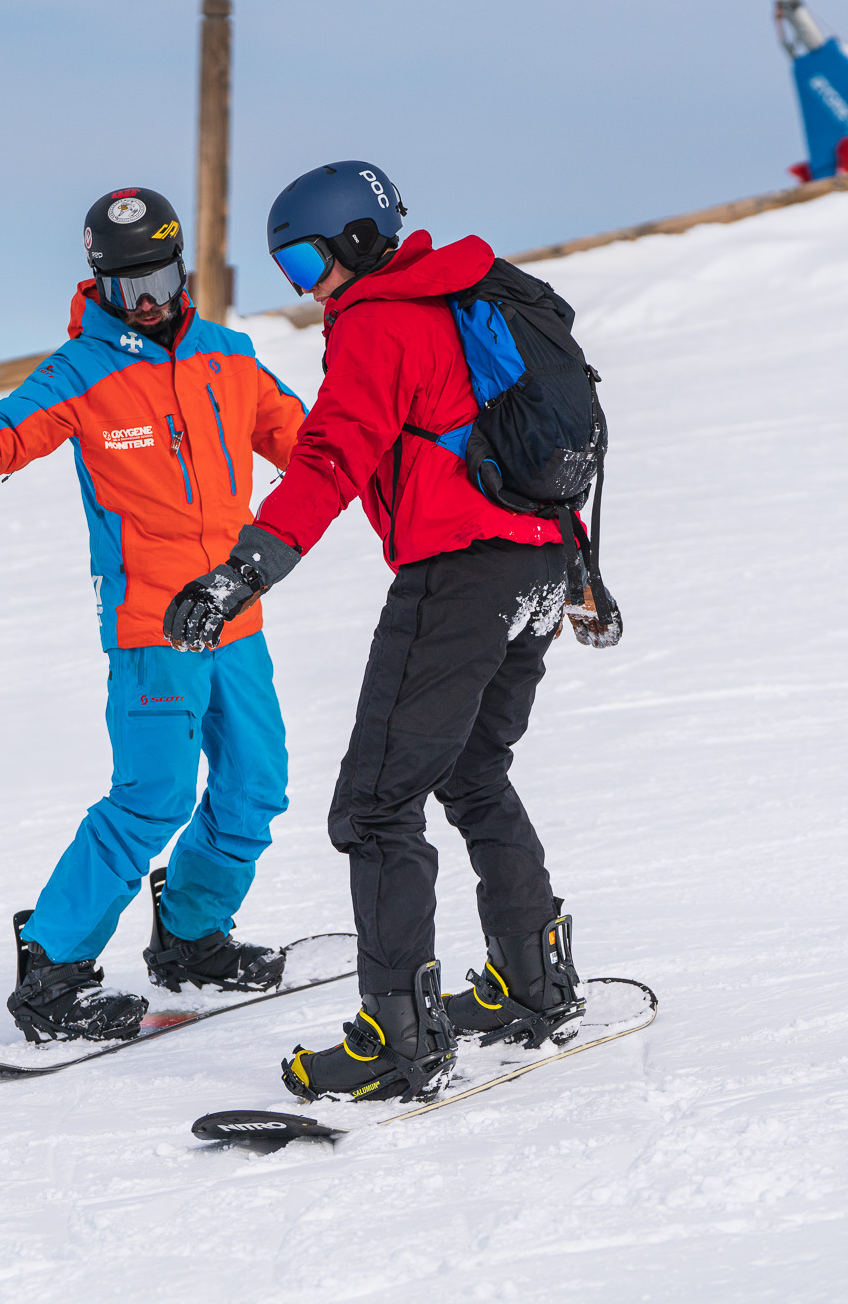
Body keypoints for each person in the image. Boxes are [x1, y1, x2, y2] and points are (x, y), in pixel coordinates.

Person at [162, 161, 586, 1102]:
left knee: (376, 807)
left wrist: (243, 571)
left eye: (309, 260)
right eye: (288, 271)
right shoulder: (467, 295)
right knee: (474, 771)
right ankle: (532, 980)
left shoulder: (381, 322)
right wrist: (581, 574)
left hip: (459, 575)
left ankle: (396, 1037)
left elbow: (329, 457)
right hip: (539, 564)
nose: (307, 287)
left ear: (358, 239)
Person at [0, 186, 309, 1043]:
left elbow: (309, 440)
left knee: (256, 788)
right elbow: (7, 432)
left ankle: (192, 937)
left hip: (236, 611)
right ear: (98, 283)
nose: (145, 300)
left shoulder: (230, 356)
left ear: (182, 266)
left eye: (156, 277)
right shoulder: (82, 371)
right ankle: (52, 965)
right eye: (125, 286)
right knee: (153, 798)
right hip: (153, 628)